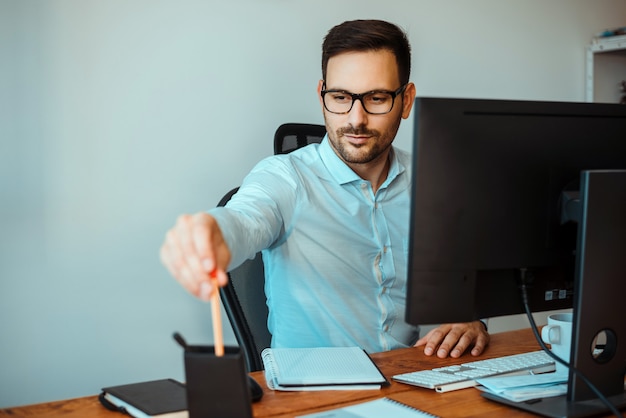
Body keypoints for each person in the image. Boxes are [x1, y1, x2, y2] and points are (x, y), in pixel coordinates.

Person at [160, 19, 490, 358]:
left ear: (406, 101)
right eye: (340, 97)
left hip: (409, 382)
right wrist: (212, 232)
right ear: (322, 97)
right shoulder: (285, 178)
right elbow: (244, 220)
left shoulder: (433, 183)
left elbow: (458, 297)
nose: (356, 118)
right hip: (313, 396)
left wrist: (470, 321)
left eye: (376, 98)